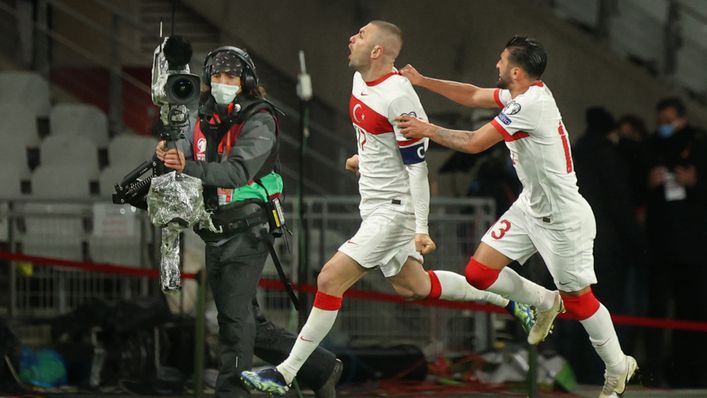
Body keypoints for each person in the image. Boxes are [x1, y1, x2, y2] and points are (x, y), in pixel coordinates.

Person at [239, 21, 535, 396]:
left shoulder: (398, 97)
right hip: (374, 203)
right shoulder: (361, 80)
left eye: (360, 35)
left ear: (378, 51)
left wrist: (421, 228)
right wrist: (361, 159)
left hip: (395, 212)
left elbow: (418, 168)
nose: (351, 38)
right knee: (415, 286)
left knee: (330, 279)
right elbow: (379, 141)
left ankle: (285, 373)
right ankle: (508, 298)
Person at [394, 36, 637, 397]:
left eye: (501, 60)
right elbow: (474, 94)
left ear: (517, 71)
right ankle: (543, 301)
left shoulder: (530, 105)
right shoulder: (522, 94)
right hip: (530, 207)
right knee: (479, 273)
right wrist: (424, 81)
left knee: (580, 300)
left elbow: (476, 142)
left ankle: (618, 367)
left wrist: (428, 130)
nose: (496, 65)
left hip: (562, 218)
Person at [156, 46, 342, 398]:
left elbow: (239, 171)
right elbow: (182, 146)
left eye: (231, 77)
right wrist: (168, 152)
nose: (224, 83)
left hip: (248, 230)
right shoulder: (202, 114)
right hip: (214, 230)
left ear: (247, 81)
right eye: (217, 76)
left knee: (234, 323)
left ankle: (232, 391)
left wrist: (188, 166)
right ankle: (321, 367)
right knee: (248, 320)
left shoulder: (260, 118)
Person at [643, 97, 707, 387]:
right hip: (659, 245)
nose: (664, 127)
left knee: (689, 311)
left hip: (691, 248)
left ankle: (688, 372)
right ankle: (655, 370)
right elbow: (638, 192)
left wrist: (694, 183)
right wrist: (650, 182)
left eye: (669, 121)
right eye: (661, 121)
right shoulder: (652, 145)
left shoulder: (698, 144)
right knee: (655, 310)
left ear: (681, 118)